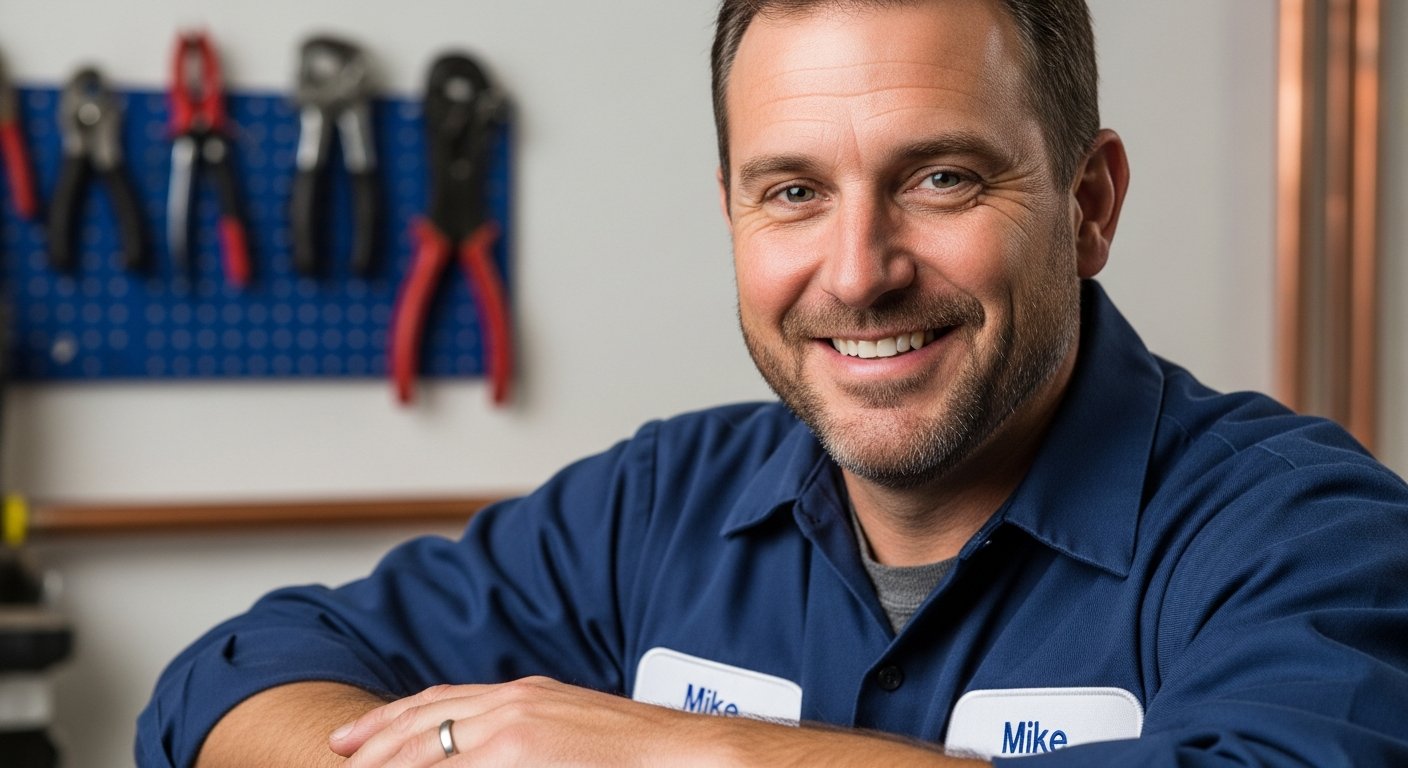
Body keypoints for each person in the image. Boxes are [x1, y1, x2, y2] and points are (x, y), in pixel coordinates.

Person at [138, 0, 1408, 765]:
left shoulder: (1305, 538)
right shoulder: (654, 511)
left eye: (941, 178)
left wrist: (677, 753)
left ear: (1087, 206)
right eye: (792, 192)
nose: (855, 273)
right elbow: (229, 687)